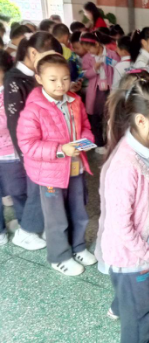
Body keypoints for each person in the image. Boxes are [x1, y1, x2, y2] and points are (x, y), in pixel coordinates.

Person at [98, 78, 149, 343]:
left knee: (133, 297)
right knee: (138, 312)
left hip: (146, 249)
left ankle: (120, 305)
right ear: (142, 121)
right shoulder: (125, 166)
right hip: (130, 256)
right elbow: (122, 227)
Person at [17, 52, 96, 275]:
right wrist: (61, 150)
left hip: (75, 168)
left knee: (79, 211)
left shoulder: (75, 101)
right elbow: (28, 145)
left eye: (65, 78)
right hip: (50, 174)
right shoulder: (34, 109)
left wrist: (86, 140)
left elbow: (85, 126)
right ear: (39, 79)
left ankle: (78, 246)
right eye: (52, 79)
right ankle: (59, 256)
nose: (60, 84)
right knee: (56, 218)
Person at [5, 32, 63, 251]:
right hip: (32, 149)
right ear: (32, 53)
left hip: (46, 146)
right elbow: (15, 123)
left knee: (42, 190)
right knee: (36, 191)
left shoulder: (36, 75)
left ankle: (37, 225)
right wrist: (26, 154)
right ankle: (26, 232)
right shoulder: (15, 80)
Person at [80, 31, 120, 154]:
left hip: (109, 89)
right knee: (95, 117)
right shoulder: (87, 58)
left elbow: (118, 68)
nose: (89, 52)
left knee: (109, 116)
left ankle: (111, 142)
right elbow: (85, 74)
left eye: (90, 48)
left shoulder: (111, 54)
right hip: (95, 91)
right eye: (87, 50)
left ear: (97, 44)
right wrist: (94, 69)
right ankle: (99, 143)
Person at [0, 50, 22, 247]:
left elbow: (7, 121)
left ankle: (26, 228)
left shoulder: (9, 93)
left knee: (18, 192)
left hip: (9, 154)